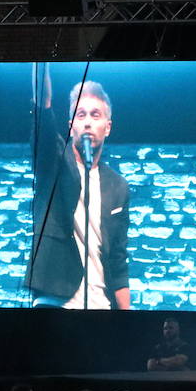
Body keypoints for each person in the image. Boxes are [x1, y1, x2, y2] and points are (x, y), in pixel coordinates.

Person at [28, 70, 131, 309]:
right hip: (55, 301)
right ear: (70, 125)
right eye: (80, 114)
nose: (87, 122)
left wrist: (128, 317)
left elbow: (118, 260)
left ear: (107, 127)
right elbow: (42, 108)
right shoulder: (54, 162)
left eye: (95, 115)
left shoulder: (118, 186)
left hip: (101, 306)